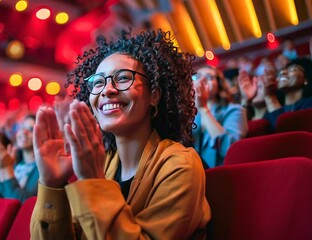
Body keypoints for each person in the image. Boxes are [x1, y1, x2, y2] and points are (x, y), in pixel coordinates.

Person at [30, 29, 211, 239]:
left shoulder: (180, 164)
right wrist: (52, 183)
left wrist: (93, 181)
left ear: (154, 95)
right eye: (98, 82)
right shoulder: (105, 163)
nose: (107, 90)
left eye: (123, 78)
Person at [192, 65, 248, 168]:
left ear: (219, 85)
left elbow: (230, 150)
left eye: (209, 77)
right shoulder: (189, 114)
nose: (202, 80)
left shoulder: (235, 110)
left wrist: (204, 108)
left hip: (222, 174)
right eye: (197, 76)